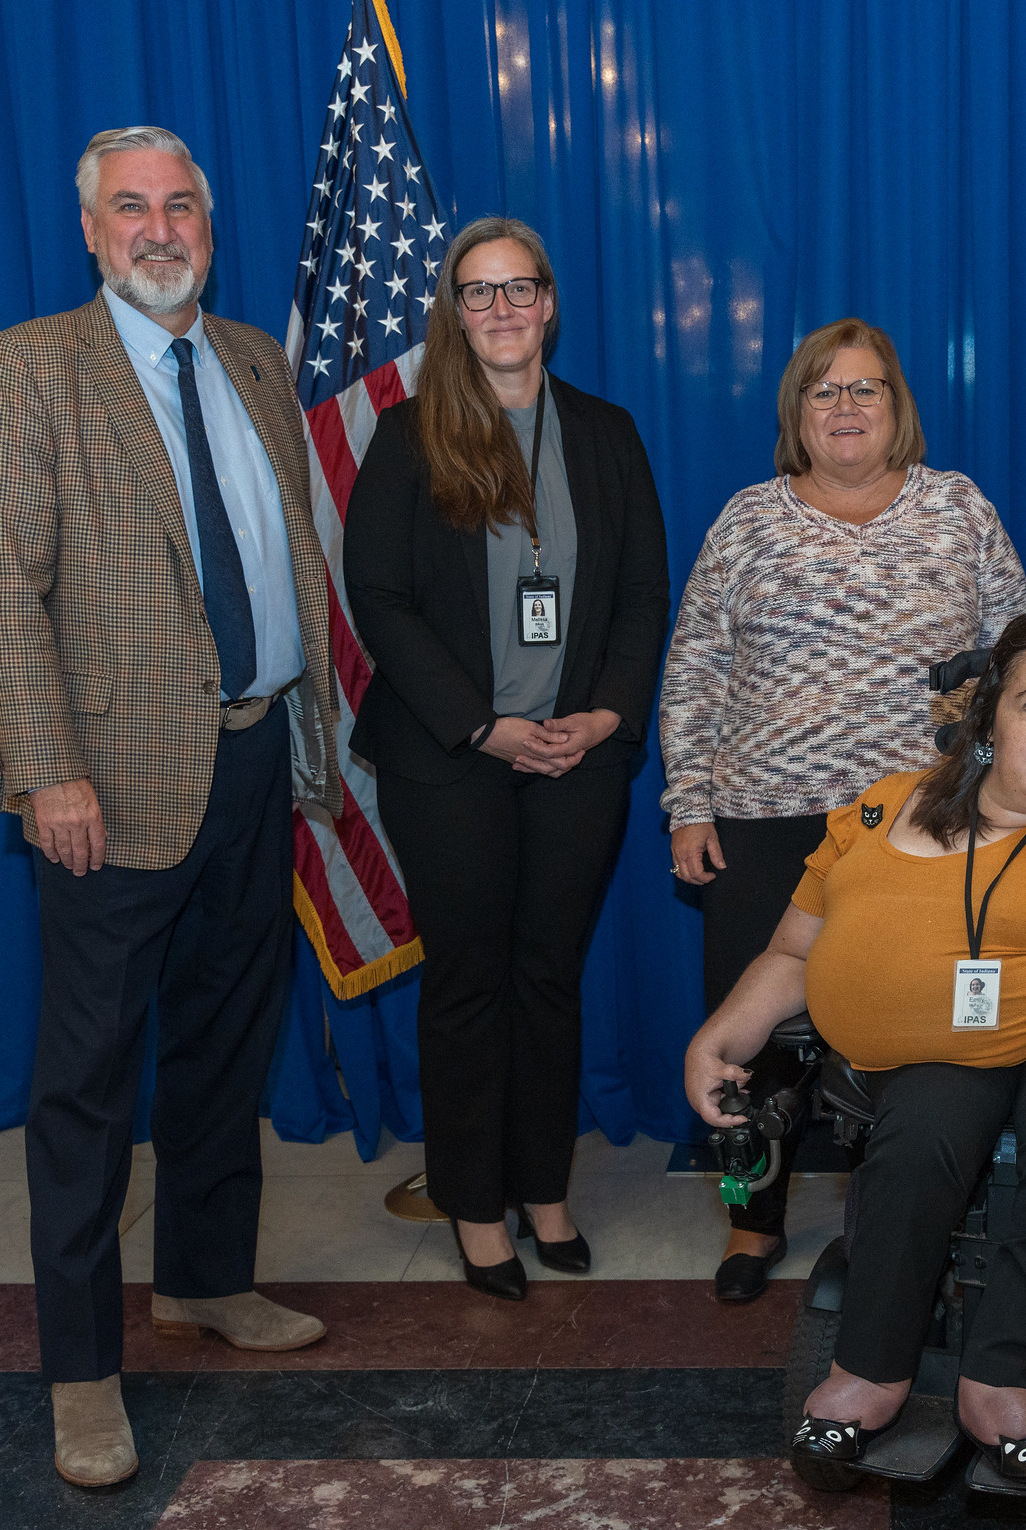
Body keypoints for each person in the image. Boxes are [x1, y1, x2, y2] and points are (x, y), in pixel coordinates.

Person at [0, 127, 344, 1488]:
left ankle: (205, 1279)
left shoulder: (252, 359)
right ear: (91, 229)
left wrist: (314, 730)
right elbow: (0, 582)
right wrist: (46, 766)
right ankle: (80, 1371)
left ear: (209, 223)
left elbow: (283, 545)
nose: (160, 227)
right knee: (86, 1086)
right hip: (109, 785)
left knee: (229, 1041)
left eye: (181, 203)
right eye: (133, 207)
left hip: (256, 757)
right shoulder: (32, 366)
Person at [683, 607, 1026, 1478]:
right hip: (937, 1054)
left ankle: (1005, 1379)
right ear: (989, 719)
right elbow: (791, 952)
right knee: (921, 1134)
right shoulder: (881, 806)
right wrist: (718, 1041)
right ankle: (869, 1371)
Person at [659, 317, 1026, 1302]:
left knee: (912, 1036)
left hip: (919, 827)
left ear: (896, 405)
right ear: (797, 413)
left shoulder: (957, 510)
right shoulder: (745, 521)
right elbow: (695, 665)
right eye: (825, 391)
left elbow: (1013, 655)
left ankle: (897, 1215)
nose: (846, 407)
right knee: (752, 1044)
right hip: (762, 816)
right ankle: (749, 1222)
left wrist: (1000, 792)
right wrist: (686, 805)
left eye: (864, 388)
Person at [344, 217, 669, 1302]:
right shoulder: (406, 437)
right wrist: (480, 725)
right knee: (469, 984)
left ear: (548, 301)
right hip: (452, 762)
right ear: (451, 310)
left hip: (580, 759)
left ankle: (545, 1193)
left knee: (548, 980)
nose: (499, 310)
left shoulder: (606, 434)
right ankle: (474, 1209)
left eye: (517, 288)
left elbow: (639, 598)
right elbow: (378, 600)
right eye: (475, 293)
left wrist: (610, 716)